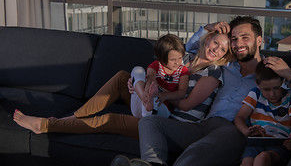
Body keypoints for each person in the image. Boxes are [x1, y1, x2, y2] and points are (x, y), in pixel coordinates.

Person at [138, 16, 291, 166]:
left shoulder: (271, 73)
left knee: (197, 151)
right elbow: (192, 50)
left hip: (233, 129)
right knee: (150, 123)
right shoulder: (225, 65)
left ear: (259, 40)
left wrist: (290, 76)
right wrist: (207, 29)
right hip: (203, 125)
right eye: (234, 39)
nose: (238, 43)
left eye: (245, 37)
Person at [13, 31, 232, 140]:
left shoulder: (214, 72)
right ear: (208, 38)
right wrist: (139, 85)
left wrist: (154, 92)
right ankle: (70, 120)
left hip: (172, 123)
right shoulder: (184, 58)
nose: (216, 50)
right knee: (121, 77)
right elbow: (153, 71)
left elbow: (185, 105)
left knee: (110, 119)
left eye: (223, 49)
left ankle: (46, 125)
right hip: (152, 103)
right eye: (215, 42)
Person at [234, 61, 291, 166]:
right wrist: (246, 131)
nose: (272, 94)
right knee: (247, 162)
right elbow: (240, 117)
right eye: (266, 89)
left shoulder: (290, 99)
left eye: (276, 88)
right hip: (257, 141)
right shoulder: (255, 94)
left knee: (263, 158)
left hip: (279, 145)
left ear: (283, 82)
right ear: (258, 84)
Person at [130, 34, 189, 119]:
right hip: (140, 106)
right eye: (172, 60)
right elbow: (151, 78)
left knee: (154, 93)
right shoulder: (156, 65)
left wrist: (165, 96)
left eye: (180, 58)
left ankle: (148, 107)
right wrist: (146, 93)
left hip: (161, 108)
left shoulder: (183, 71)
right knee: (138, 70)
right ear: (161, 58)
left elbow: (181, 93)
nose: (177, 62)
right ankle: (145, 99)